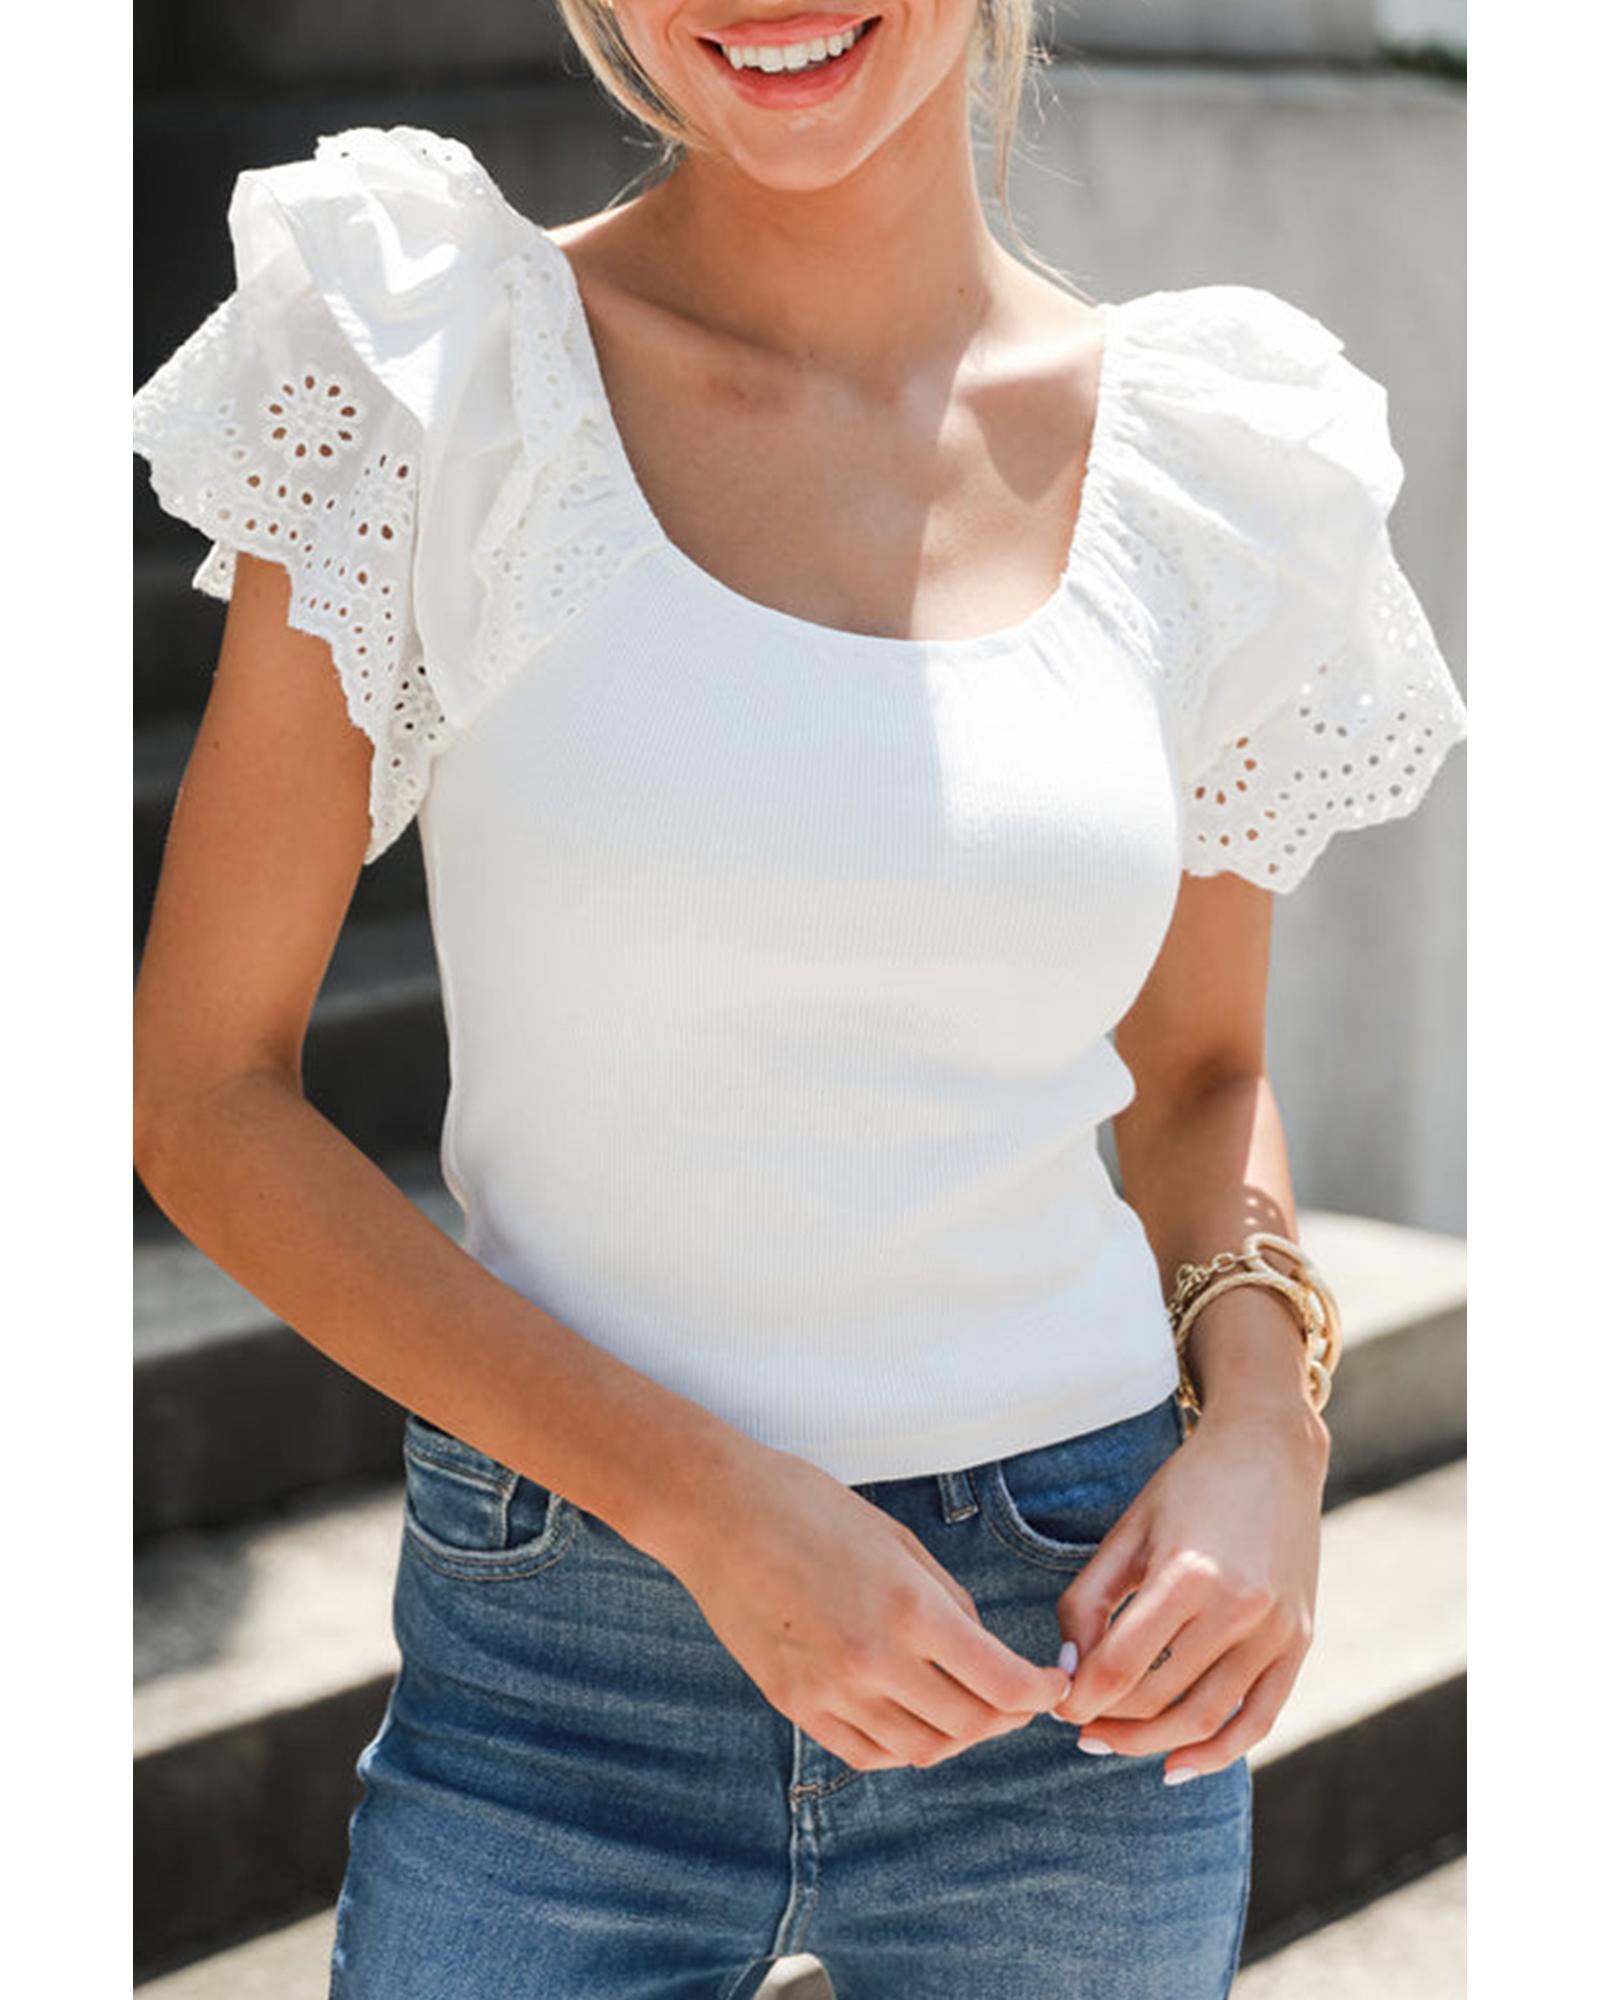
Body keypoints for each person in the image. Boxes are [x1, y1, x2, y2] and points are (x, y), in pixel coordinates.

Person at [130, 6, 1467, 1996]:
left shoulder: (1206, 464)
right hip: (557, 1666)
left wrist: (1267, 1427)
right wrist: (703, 1501)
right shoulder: (432, 369)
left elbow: (1196, 1075)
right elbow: (203, 1093)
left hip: (1078, 1662)